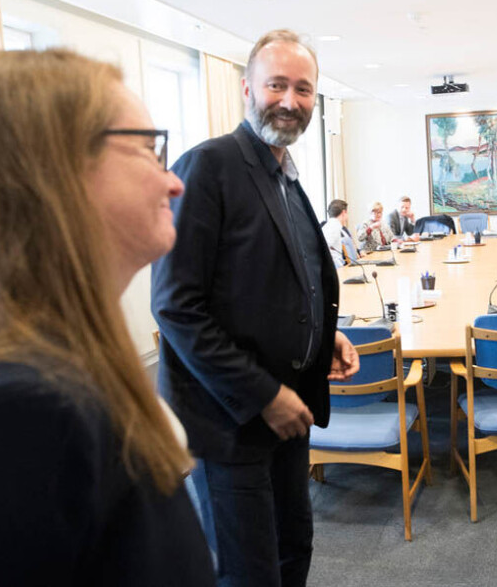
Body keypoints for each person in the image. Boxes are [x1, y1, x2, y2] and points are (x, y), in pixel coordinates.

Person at [0, 50, 215, 585]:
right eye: (149, 151)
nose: (173, 183)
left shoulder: (62, 372)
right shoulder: (11, 413)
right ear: (51, 172)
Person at [151, 29, 359, 587]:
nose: (290, 101)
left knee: (293, 550)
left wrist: (323, 334)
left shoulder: (287, 175)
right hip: (231, 420)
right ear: (247, 87)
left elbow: (282, 277)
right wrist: (263, 396)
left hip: (288, 415)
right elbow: (175, 306)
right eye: (277, 85)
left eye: (303, 89)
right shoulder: (209, 167)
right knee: (248, 571)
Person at [321, 199, 357, 267]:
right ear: (344, 213)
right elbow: (324, 248)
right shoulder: (334, 227)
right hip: (336, 269)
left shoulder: (330, 225)